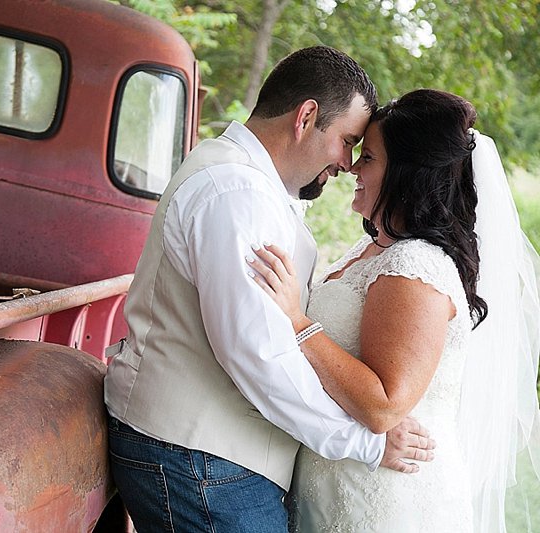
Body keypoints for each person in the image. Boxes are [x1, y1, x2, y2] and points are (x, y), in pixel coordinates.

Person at [103, 46, 437, 533]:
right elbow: (259, 354)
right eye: (346, 141)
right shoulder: (235, 194)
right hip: (200, 457)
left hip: (214, 456)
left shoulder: (253, 185)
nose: (348, 163)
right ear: (306, 116)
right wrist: (365, 442)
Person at [248, 89, 540, 532]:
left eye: (368, 158)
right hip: (339, 483)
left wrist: (297, 322)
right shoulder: (371, 249)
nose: (352, 169)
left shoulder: (414, 266)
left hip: (384, 499)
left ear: (406, 174)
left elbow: (384, 405)